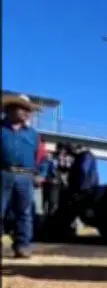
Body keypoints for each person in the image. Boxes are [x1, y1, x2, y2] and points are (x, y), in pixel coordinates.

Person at [1, 94, 47, 258]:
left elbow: (43, 157)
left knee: (24, 213)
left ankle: (22, 245)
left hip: (25, 177)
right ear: (10, 109)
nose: (28, 113)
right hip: (3, 174)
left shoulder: (34, 135)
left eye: (29, 110)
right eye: (24, 109)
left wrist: (41, 174)